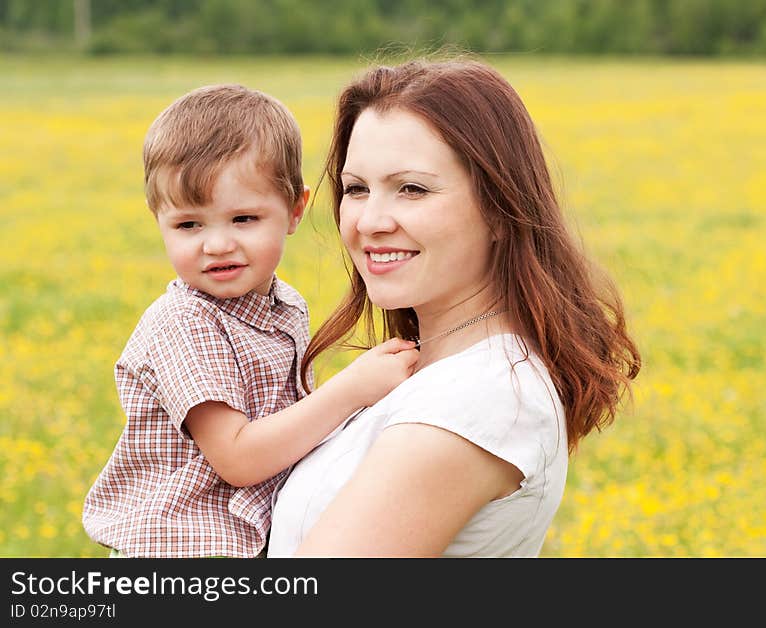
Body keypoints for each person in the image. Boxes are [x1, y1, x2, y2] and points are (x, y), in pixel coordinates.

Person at [267, 58, 641, 558]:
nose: (370, 220)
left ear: (500, 209)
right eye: (356, 188)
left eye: (412, 189)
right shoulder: (436, 370)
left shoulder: (479, 400)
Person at [82, 84, 419, 558]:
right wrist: (352, 389)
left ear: (295, 211)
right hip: (182, 553)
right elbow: (238, 457)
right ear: (158, 219)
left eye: (242, 219)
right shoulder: (184, 323)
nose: (216, 245)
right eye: (188, 225)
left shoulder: (286, 306)